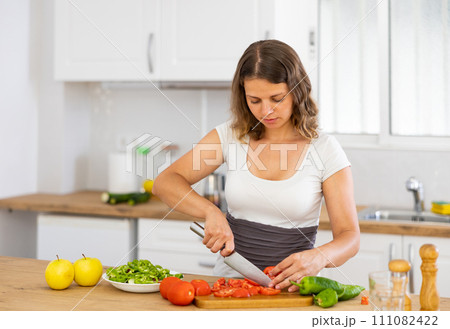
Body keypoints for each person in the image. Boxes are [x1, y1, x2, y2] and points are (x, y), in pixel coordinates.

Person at [152, 39, 360, 292]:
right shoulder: (230, 136)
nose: (266, 111)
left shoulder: (324, 149)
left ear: (298, 90)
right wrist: (210, 212)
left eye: (277, 98)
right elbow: (165, 181)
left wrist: (318, 257)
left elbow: (350, 237)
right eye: (255, 100)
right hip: (230, 287)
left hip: (291, 293)